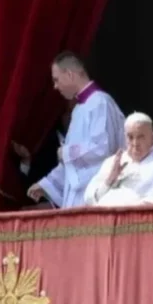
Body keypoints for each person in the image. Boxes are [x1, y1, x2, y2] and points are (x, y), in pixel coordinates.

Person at [27, 51, 125, 208]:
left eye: (56, 80)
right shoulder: (79, 109)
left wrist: (67, 152)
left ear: (69, 75)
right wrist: (47, 184)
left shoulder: (100, 103)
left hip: (97, 197)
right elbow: (74, 164)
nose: (55, 86)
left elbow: (102, 148)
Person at [83, 112, 153, 206]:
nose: (135, 143)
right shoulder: (112, 162)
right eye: (130, 137)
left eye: (141, 137)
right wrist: (109, 180)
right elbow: (91, 200)